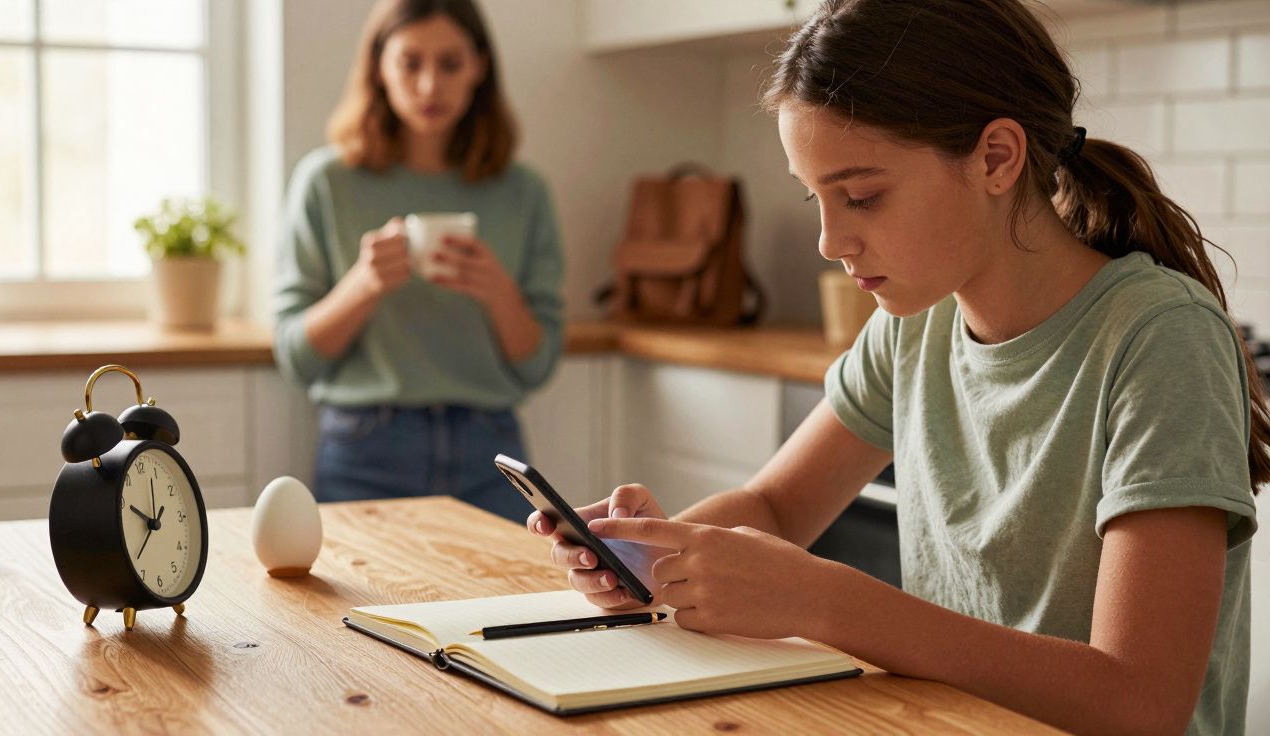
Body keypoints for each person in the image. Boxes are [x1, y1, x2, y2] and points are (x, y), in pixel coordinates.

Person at [529, 1, 1267, 733]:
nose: (828, 240)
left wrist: (828, 601)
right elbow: (778, 508)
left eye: (860, 196)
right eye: (816, 197)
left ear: (997, 158)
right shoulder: (915, 325)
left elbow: (1139, 703)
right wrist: (654, 557)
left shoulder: (1160, 338)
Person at [273, 0, 563, 525]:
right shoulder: (326, 183)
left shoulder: (523, 192)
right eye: (411, 63)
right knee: (359, 608)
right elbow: (298, 357)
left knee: (511, 608)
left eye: (450, 64)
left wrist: (498, 291)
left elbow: (538, 364)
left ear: (478, 65)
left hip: (491, 451)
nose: (431, 86)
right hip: (365, 449)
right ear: (379, 65)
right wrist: (363, 285)